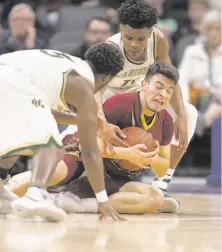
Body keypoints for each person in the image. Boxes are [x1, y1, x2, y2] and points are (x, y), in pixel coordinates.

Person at [3, 62, 179, 214]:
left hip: (114, 173)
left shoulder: (166, 122)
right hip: (83, 153)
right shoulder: (120, 105)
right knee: (56, 172)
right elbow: (92, 145)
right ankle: (5, 191)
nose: (163, 94)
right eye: (159, 86)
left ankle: (80, 204)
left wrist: (151, 157)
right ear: (144, 85)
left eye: (169, 91)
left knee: (155, 198)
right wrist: (127, 154)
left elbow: (163, 169)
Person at [92, 0, 198, 213]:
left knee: (189, 112)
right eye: (129, 37)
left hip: (141, 94)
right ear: (121, 30)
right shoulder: (111, 49)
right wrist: (102, 123)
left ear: (150, 33)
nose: (134, 44)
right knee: (82, 133)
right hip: (109, 97)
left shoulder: (158, 40)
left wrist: (181, 117)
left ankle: (161, 183)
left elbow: (168, 76)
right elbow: (94, 92)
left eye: (140, 39)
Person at [0, 43, 124, 222]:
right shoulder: (84, 87)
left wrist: (81, 119)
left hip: (6, 77)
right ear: (106, 78)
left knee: (16, 141)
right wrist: (103, 200)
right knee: (52, 146)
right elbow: (90, 153)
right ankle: (36, 195)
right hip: (12, 83)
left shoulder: (66, 65)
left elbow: (39, 110)